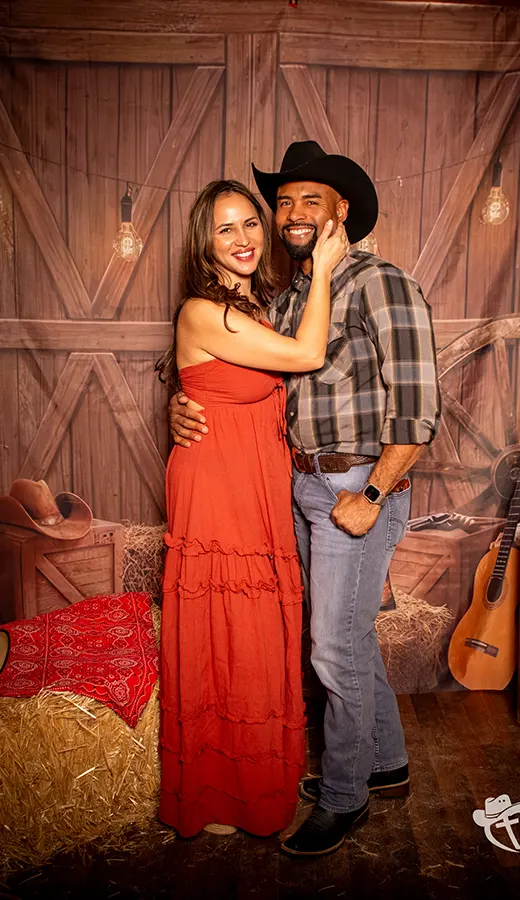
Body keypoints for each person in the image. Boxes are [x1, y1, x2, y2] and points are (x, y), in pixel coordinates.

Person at [170, 142, 441, 857]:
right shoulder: (288, 297)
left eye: (309, 200)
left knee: (333, 644)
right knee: (346, 636)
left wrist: (374, 491)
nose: (290, 213)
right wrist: (183, 397)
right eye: (283, 201)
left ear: (340, 211)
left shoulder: (382, 283)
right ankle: (384, 763)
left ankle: (344, 796)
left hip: (356, 484)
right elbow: (240, 375)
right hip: (298, 484)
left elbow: (418, 406)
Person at [156, 178, 349, 839]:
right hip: (217, 487)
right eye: (225, 228)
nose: (243, 238)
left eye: (250, 224)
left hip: (256, 483)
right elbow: (308, 355)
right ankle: (215, 792)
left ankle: (251, 782)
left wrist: (180, 397)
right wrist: (325, 266)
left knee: (254, 632)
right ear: (203, 243)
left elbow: (232, 385)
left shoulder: (257, 309)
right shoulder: (200, 311)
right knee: (224, 628)